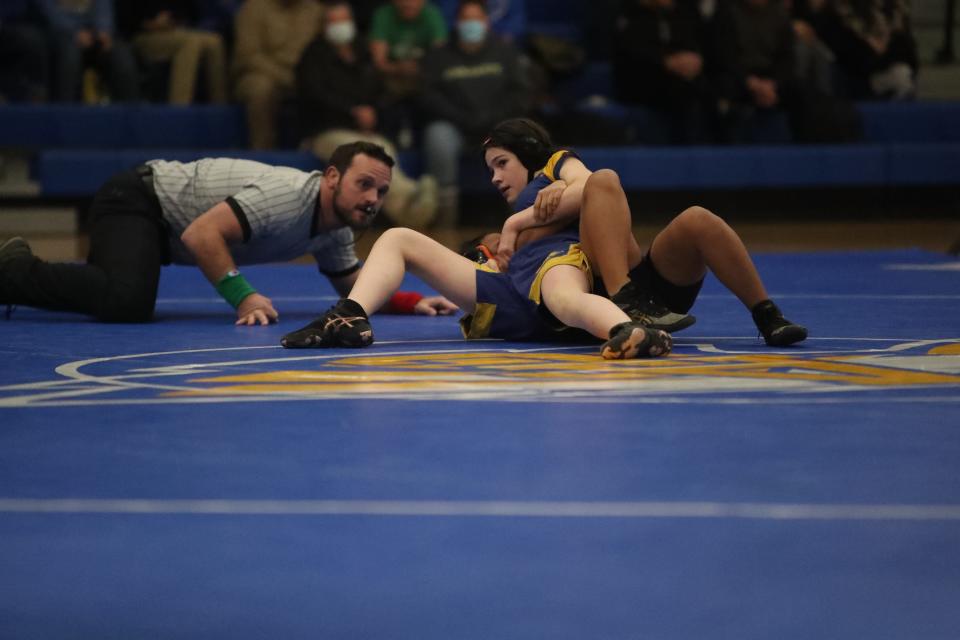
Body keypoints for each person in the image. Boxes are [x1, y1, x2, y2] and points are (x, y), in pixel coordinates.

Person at [280, 118, 806, 354]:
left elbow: (595, 186)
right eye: (488, 168)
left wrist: (516, 223)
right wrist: (496, 242)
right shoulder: (531, 211)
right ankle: (349, 314)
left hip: (578, 279)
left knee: (691, 218)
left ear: (533, 158)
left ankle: (762, 313)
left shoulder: (555, 174)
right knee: (397, 236)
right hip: (511, 290)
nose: (493, 177)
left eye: (500, 163)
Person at [0, 142, 457, 324]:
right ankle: (15, 270)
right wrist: (244, 296)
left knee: (116, 292)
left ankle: (19, 270)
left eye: (381, 190)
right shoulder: (288, 194)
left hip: (160, 227)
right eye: (364, 184)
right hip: (139, 200)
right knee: (126, 301)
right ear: (332, 178)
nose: (373, 199)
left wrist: (411, 301)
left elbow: (351, 283)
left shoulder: (334, 227)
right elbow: (202, 235)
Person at [296, 1, 439, 228]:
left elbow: (377, 91)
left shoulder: (362, 52)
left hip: (363, 130)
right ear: (323, 26)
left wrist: (372, 112)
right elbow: (314, 96)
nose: (340, 26)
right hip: (325, 131)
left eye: (344, 20)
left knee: (384, 150)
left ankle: (409, 205)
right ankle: (411, 199)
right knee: (363, 156)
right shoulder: (313, 55)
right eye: (333, 21)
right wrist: (352, 112)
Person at [419, 0, 531, 225]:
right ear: (457, 23)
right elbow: (428, 97)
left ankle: (521, 212)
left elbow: (520, 93)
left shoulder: (505, 52)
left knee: (521, 134)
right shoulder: (438, 56)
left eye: (477, 19)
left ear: (486, 22)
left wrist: (492, 118)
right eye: (466, 19)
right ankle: (445, 214)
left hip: (499, 124)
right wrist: (462, 118)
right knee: (437, 136)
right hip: (454, 125)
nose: (472, 24)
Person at [232, 0, 323, 149]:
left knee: (326, 81)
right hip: (263, 72)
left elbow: (324, 50)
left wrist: (308, 76)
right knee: (261, 88)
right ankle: (262, 151)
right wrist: (285, 76)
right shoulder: (253, 8)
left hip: (305, 73)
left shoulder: (316, 10)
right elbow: (248, 55)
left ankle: (318, 144)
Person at [125, 0, 228, 105]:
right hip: (142, 35)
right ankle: (179, 109)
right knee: (190, 42)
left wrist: (176, 20)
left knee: (214, 42)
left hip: (175, 30)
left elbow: (188, 12)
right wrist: (151, 24)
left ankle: (221, 108)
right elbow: (126, 19)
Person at [36, 0, 140, 103]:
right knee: (69, 56)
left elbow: (103, 7)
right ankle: (65, 113)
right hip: (60, 34)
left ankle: (130, 114)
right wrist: (74, 32)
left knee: (121, 56)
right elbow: (51, 14)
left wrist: (103, 31)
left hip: (95, 34)